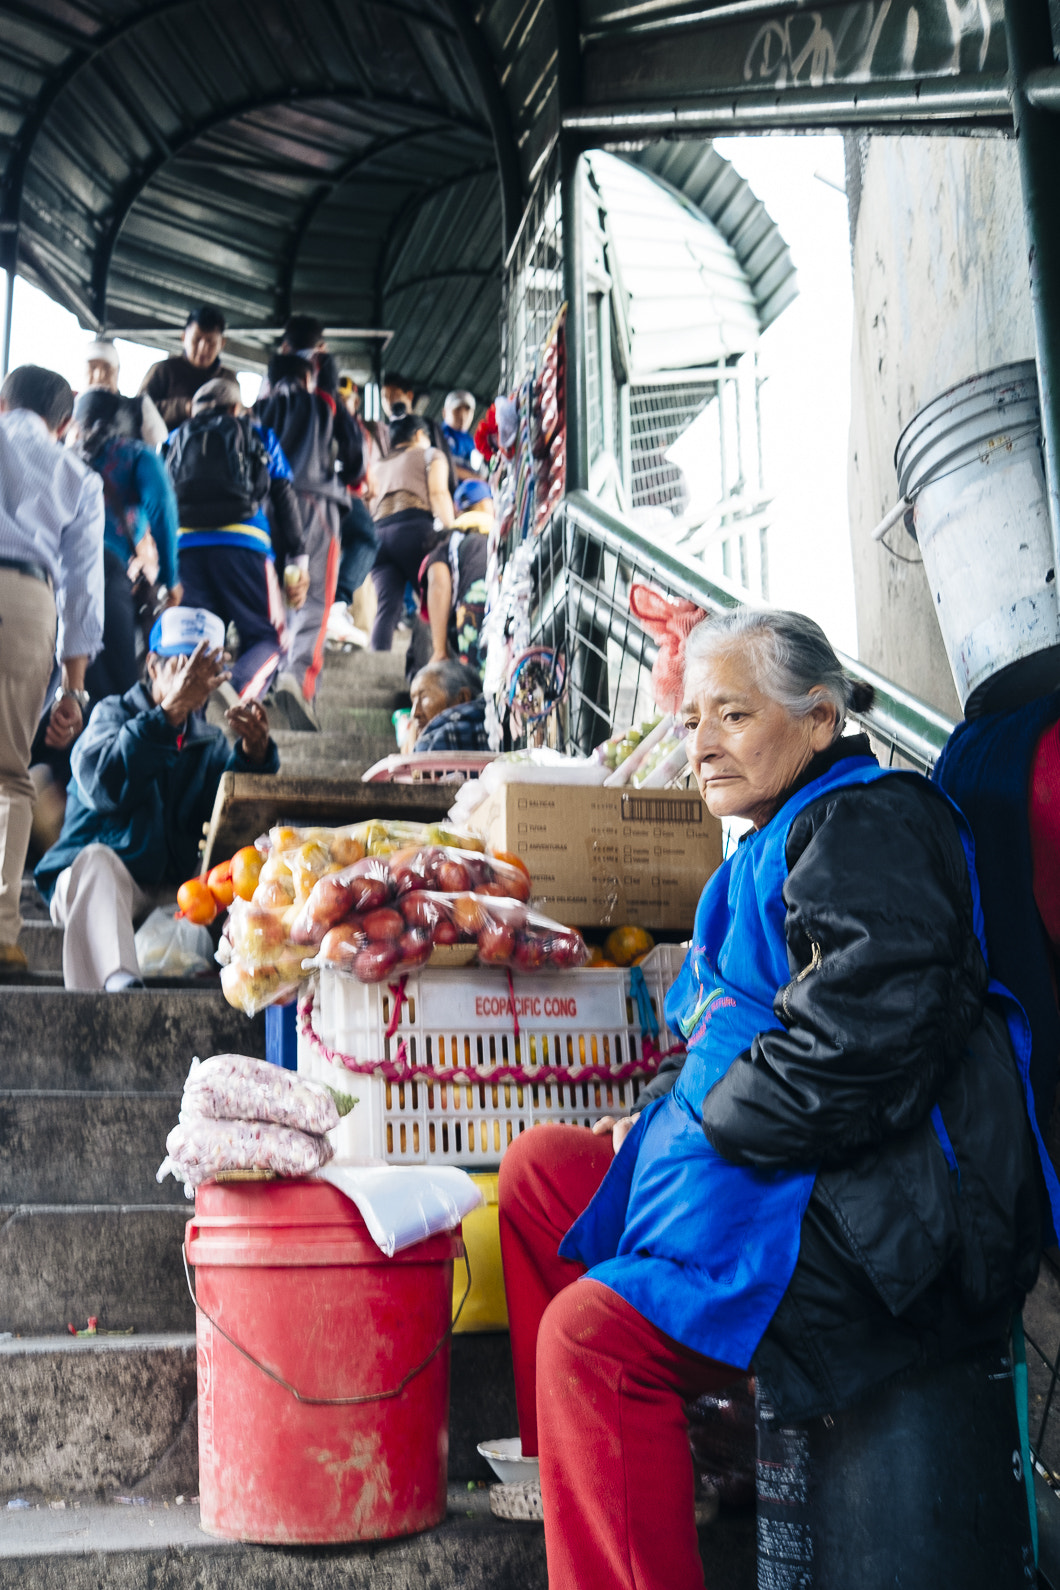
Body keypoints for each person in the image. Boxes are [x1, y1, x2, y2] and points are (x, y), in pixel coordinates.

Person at [496, 608, 1050, 1589]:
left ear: (820, 718)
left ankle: (634, 1481)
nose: (702, 743)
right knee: (544, 1176)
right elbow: (709, 1029)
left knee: (591, 1342)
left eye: (734, 716)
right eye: (692, 720)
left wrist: (706, 1123)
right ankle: (630, 1470)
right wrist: (660, 1112)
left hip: (872, 1220)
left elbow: (863, 1036)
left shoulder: (872, 820)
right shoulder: (770, 841)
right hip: (781, 1176)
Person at [35, 607, 279, 992]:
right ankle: (119, 983)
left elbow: (229, 821)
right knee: (96, 861)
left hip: (171, 895)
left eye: (204, 675)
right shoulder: (110, 716)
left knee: (248, 870)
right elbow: (105, 785)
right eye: (184, 668)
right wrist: (167, 715)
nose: (194, 685)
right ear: (153, 666)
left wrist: (254, 755)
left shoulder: (208, 742)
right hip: (97, 887)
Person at [0, 366, 104, 974]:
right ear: (65, 425)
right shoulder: (77, 475)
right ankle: (2, 934)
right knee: (10, 774)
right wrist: (75, 688)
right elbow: (82, 592)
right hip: (27, 601)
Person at [167, 379, 301, 701]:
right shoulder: (258, 434)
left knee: (194, 641)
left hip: (185, 548)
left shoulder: (173, 439)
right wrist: (298, 557)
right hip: (245, 544)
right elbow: (284, 495)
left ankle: (190, 707)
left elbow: (157, 499)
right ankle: (238, 693)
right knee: (267, 638)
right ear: (236, 408)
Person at [256, 352, 363, 728]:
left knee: (277, 598)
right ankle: (297, 681)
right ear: (307, 375)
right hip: (315, 504)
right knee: (314, 598)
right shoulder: (323, 403)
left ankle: (266, 678)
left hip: (267, 506)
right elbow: (354, 458)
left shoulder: (259, 408)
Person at [70, 388, 180, 704]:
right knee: (120, 690)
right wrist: (171, 581)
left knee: (69, 685)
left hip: (60, 579)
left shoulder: (65, 457)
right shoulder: (136, 454)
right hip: (108, 574)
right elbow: (161, 509)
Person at [368, 413, 454, 653]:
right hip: (413, 529)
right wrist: (454, 530)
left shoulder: (376, 466)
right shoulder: (429, 453)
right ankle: (443, 659)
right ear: (419, 435)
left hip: (378, 536)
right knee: (434, 599)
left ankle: (377, 662)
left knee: (387, 607)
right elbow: (438, 494)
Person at [422, 478, 492, 673]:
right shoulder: (503, 534)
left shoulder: (450, 540)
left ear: (458, 510)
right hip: (508, 610)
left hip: (474, 608)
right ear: (488, 504)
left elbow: (439, 584)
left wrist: (439, 650)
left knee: (478, 684)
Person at [139, 305, 237, 430]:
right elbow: (137, 412)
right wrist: (184, 408)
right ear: (184, 337)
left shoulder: (228, 379)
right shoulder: (163, 370)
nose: (203, 348)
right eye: (197, 339)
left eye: (210, 342)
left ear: (222, 343)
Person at [82, 339, 167, 448]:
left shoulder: (140, 407)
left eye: (107, 368)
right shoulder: (70, 409)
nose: (99, 375)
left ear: (117, 372)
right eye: (92, 367)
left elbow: (160, 446)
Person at [404, 659, 488, 753]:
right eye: (413, 701)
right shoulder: (493, 729)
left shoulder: (438, 740)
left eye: (424, 697)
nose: (415, 713)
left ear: (462, 698)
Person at [440, 389, 481, 482]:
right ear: (444, 412)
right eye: (457, 410)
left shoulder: (471, 440)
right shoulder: (439, 435)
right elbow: (443, 465)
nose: (462, 415)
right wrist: (476, 479)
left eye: (467, 410)